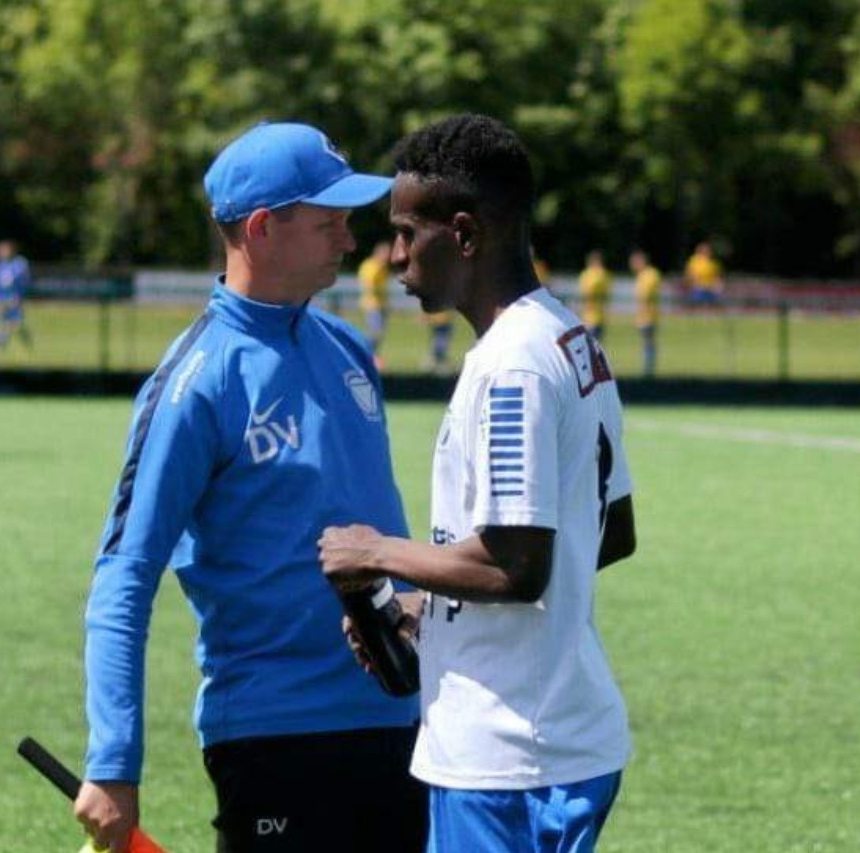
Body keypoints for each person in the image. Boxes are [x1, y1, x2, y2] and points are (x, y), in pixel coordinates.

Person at [74, 122, 426, 853]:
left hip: (404, 724)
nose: (350, 240)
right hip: (276, 739)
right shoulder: (196, 382)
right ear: (263, 229)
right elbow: (125, 574)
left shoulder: (348, 350)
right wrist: (113, 760)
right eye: (330, 222)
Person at [320, 114, 636, 853]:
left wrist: (376, 552)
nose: (395, 258)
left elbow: (515, 565)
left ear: (464, 234)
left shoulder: (510, 367)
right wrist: (432, 601)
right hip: (558, 735)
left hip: (506, 756)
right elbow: (606, 532)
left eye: (406, 233)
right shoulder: (568, 335)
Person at [0, 239, 34, 352]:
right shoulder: (0, 266)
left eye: (3, 250)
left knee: (15, 324)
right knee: (5, 323)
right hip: (3, 299)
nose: (0, 253)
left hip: (15, 299)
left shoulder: (20, 264)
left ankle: (0, 344)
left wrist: (19, 297)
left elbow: (24, 282)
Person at [357, 240, 391, 368]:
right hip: (372, 304)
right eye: (386, 254)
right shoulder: (370, 266)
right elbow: (367, 285)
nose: (388, 257)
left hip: (382, 304)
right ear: (379, 253)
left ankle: (372, 356)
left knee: (379, 332)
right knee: (375, 332)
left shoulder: (383, 267)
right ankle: (367, 355)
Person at [630, 249, 661, 376]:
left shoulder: (650, 274)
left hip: (649, 316)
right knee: (647, 342)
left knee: (649, 342)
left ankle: (648, 369)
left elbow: (646, 296)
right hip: (644, 316)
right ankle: (648, 367)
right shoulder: (642, 275)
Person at [578, 249, 612, 341]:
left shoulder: (587, 274)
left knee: (592, 345)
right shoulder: (604, 274)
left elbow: (585, 294)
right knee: (597, 345)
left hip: (592, 316)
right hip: (595, 316)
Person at [683, 241, 723, 306]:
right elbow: (690, 275)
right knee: (698, 297)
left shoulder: (713, 262)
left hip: (710, 288)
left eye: (708, 250)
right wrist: (696, 285)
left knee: (714, 297)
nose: (707, 252)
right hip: (696, 288)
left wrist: (717, 286)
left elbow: (717, 277)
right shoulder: (694, 261)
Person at [421, 309, 454, 375]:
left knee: (440, 346)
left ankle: (440, 365)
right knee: (438, 345)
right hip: (439, 325)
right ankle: (436, 364)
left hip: (443, 325)